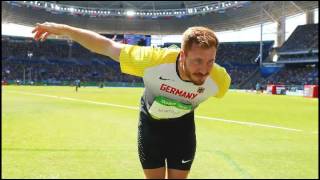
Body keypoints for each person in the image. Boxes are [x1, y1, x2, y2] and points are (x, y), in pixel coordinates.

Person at [32, 22, 231, 179]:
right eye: (197, 60)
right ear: (182, 55)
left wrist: (209, 68)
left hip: (183, 128)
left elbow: (214, 79)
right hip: (151, 125)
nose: (204, 69)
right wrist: (65, 30)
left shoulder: (219, 80)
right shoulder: (153, 60)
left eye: (210, 61)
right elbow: (107, 46)